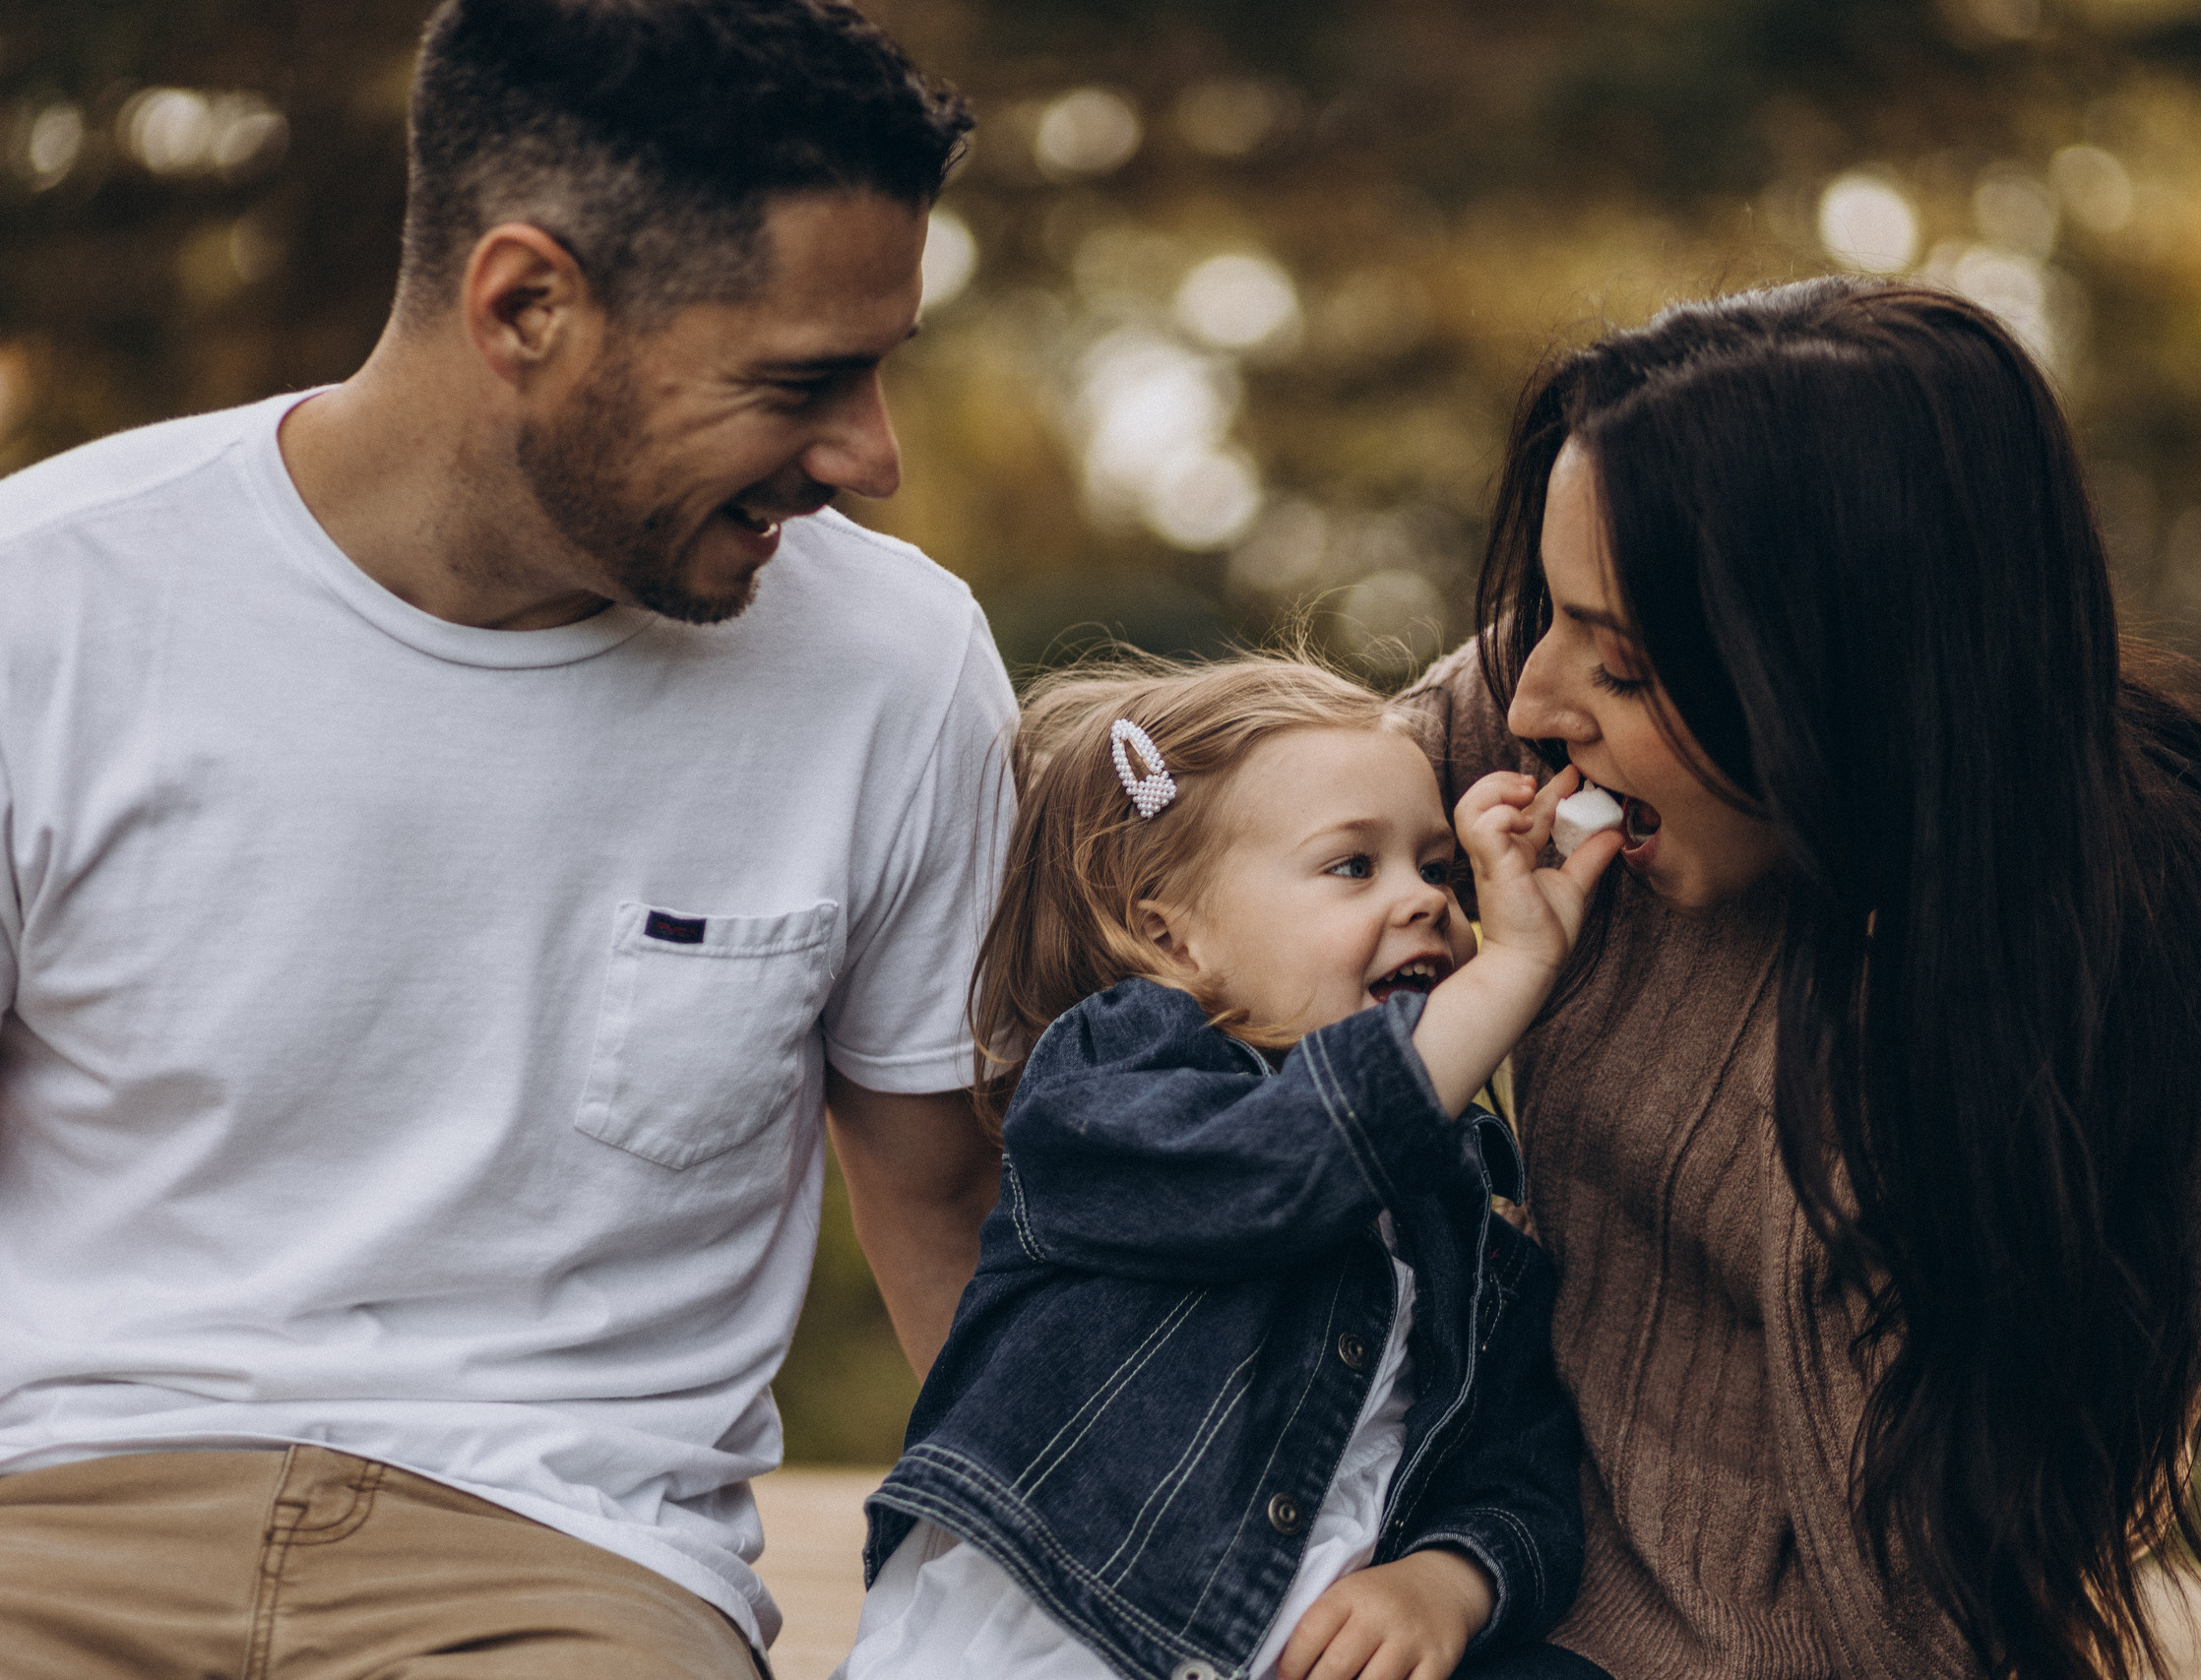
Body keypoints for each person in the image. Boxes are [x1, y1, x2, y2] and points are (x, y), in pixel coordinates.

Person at [0, 3, 1009, 1674]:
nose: (871, 457)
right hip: (53, 1515)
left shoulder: (893, 673)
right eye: (804, 381)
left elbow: (955, 1226)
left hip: (569, 1567)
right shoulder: (48, 604)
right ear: (526, 304)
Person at [1399, 277, 2201, 1680]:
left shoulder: (2165, 978)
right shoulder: (1566, 743)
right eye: (1550, 612)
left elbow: (1935, 1611)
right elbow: (1200, 862)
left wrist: (1876, 1057)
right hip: (1466, 1549)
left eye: (1627, 663)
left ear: (1846, 681)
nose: (1533, 698)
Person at [839, 657, 1598, 1680]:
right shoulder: (1108, 1086)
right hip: (1067, 1635)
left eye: (1437, 868)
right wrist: (1513, 969)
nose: (1424, 901)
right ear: (1171, 934)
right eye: (1351, 867)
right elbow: (1286, 1167)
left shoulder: (1459, 1206)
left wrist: (1448, 1580)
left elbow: (1522, 1468)